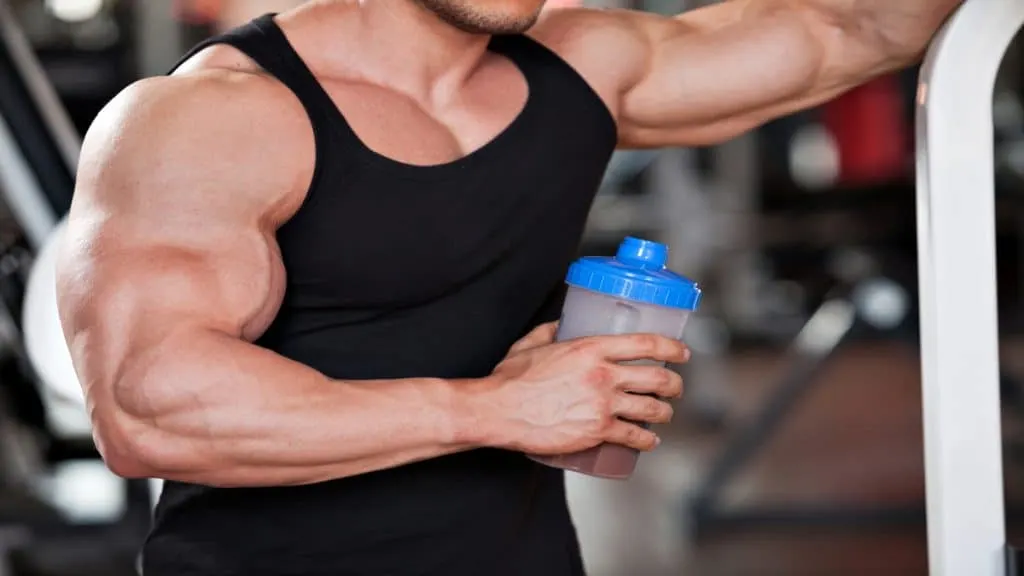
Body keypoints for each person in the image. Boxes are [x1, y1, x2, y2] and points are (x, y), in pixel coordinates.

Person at [56, 0, 961, 574]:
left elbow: (853, 27)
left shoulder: (585, 68)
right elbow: (150, 410)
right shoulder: (215, 116)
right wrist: (490, 411)